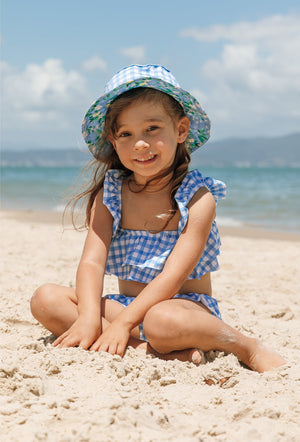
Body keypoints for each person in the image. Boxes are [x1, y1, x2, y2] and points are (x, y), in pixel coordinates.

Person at [30, 64, 285, 373]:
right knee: (46, 299)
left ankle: (246, 346)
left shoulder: (197, 198)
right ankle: (144, 350)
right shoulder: (110, 195)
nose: (140, 143)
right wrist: (87, 318)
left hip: (183, 310)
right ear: (113, 141)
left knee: (161, 320)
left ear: (180, 130)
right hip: (126, 308)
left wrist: (122, 323)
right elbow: (92, 263)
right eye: (126, 133)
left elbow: (172, 278)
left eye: (152, 129)